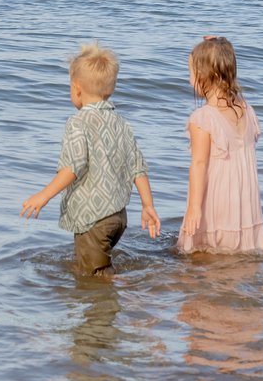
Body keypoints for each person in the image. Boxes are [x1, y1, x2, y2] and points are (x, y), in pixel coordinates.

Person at [22, 43, 161, 275]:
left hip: (93, 218)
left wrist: (43, 196)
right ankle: (120, 289)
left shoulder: (78, 122)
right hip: (118, 217)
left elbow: (73, 167)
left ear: (76, 89)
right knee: (90, 266)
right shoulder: (122, 123)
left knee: (95, 278)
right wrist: (148, 205)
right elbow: (138, 167)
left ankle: (129, 293)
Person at [179, 36, 263, 254]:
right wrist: (218, 48)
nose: (190, 81)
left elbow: (199, 165)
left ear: (204, 76)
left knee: (201, 257)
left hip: (216, 199)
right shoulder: (246, 110)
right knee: (236, 259)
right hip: (243, 200)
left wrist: (193, 209)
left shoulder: (203, 118)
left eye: (191, 73)